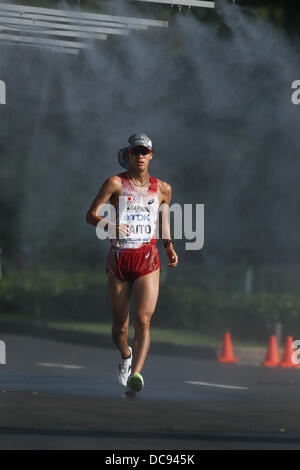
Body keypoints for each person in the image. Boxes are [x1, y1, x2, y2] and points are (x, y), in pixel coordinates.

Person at [86, 133, 178, 396]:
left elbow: (162, 219)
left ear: (151, 156)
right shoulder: (115, 183)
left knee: (143, 321)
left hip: (147, 257)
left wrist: (169, 246)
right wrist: (111, 225)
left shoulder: (163, 188)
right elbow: (90, 215)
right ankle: (126, 355)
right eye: (135, 152)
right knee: (120, 327)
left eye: (144, 152)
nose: (139, 156)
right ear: (127, 155)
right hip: (119, 259)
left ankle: (136, 374)